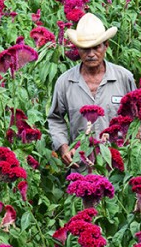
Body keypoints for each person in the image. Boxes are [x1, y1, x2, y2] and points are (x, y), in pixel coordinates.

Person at [47, 13, 136, 167]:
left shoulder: (124, 77)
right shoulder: (65, 82)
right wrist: (63, 147)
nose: (91, 54)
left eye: (96, 47)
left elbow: (136, 118)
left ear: (106, 45)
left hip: (117, 167)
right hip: (81, 165)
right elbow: (55, 119)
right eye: (85, 49)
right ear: (78, 49)